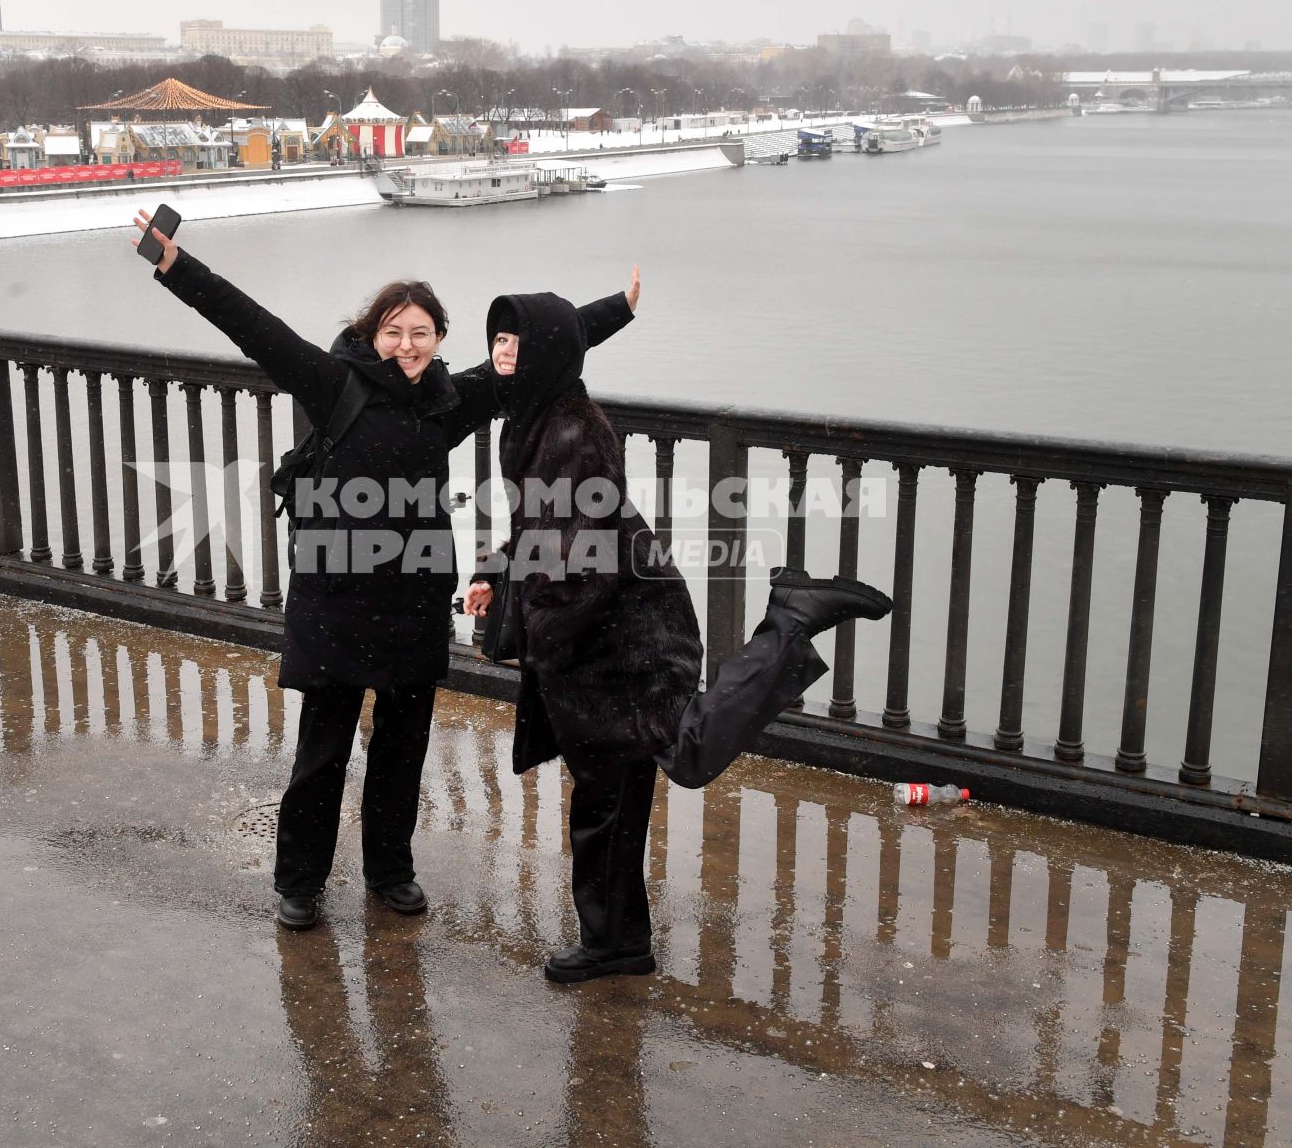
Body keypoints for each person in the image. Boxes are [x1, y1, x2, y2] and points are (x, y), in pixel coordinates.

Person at [132, 210, 639, 932]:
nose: (407, 344)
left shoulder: (448, 400)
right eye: (394, 331)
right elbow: (247, 321)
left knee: (403, 750)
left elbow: (542, 350)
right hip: (337, 598)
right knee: (323, 753)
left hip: (414, 599)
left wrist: (617, 310)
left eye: (421, 332)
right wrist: (176, 265)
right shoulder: (331, 381)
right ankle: (300, 881)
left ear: (438, 341)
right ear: (373, 334)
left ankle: (389, 870)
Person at [465, 291, 891, 984]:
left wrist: (532, 629)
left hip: (624, 639)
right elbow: (539, 530)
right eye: (498, 339)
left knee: (677, 752)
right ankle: (617, 941)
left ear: (546, 350)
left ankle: (789, 621)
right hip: (602, 638)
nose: (501, 351)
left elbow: (581, 556)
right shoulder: (539, 420)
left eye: (515, 340)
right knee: (610, 795)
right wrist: (498, 569)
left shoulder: (571, 433)